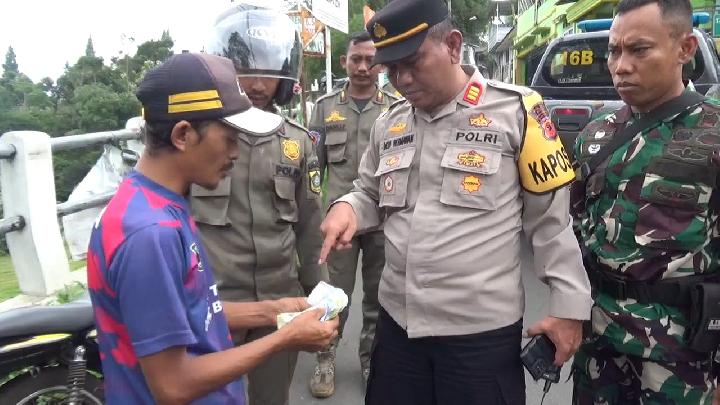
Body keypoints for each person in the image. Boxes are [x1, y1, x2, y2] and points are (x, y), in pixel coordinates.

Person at [318, 0, 593, 403]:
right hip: (398, 331)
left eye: (413, 62)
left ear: (452, 45)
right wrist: (347, 207)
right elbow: (369, 193)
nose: (402, 79)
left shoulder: (517, 112)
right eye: (392, 69)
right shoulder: (388, 123)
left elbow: (550, 223)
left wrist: (569, 308)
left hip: (479, 339)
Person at [86, 52, 338, 405]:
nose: (237, 153)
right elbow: (173, 385)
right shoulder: (151, 234)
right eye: (231, 138)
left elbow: (194, 310)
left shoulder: (154, 203)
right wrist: (285, 337)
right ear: (183, 135)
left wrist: (275, 311)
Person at [570, 0, 720, 403]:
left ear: (685, 49)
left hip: (679, 361)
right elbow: (574, 236)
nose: (621, 66)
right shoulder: (595, 135)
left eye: (639, 50)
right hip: (599, 350)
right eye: (613, 51)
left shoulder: (713, 133)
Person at [188, 6, 327, 405]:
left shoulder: (297, 142)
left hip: (279, 300)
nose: (257, 84)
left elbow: (310, 227)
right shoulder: (198, 138)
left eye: (268, 72)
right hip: (216, 303)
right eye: (245, 70)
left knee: (272, 397)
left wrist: (320, 293)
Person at [307, 31, 399, 397]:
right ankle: (325, 357)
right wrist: (314, 218)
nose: (362, 67)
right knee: (333, 294)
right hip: (338, 224)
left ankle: (370, 360)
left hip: (381, 220)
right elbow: (313, 171)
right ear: (344, 62)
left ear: (381, 65)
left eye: (370, 60)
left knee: (378, 297)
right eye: (356, 59)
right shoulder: (325, 107)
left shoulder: (396, 108)